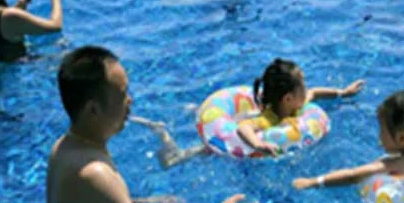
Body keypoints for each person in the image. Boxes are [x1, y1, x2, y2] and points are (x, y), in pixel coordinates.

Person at [47, 46, 260, 203]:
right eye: (122, 94)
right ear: (93, 109)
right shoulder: (96, 174)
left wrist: (144, 202)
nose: (130, 100)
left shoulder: (65, 147)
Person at [136, 58, 364, 166]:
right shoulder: (268, 119)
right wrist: (258, 144)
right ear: (288, 99)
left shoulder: (299, 104)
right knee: (172, 161)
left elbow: (315, 93)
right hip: (227, 142)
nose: (307, 90)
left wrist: (343, 92)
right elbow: (244, 127)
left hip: (242, 127)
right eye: (302, 87)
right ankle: (162, 133)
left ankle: (192, 109)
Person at [292, 90, 404, 190]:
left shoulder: (394, 163)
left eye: (382, 130)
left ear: (401, 138)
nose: (379, 136)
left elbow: (353, 175)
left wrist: (312, 182)